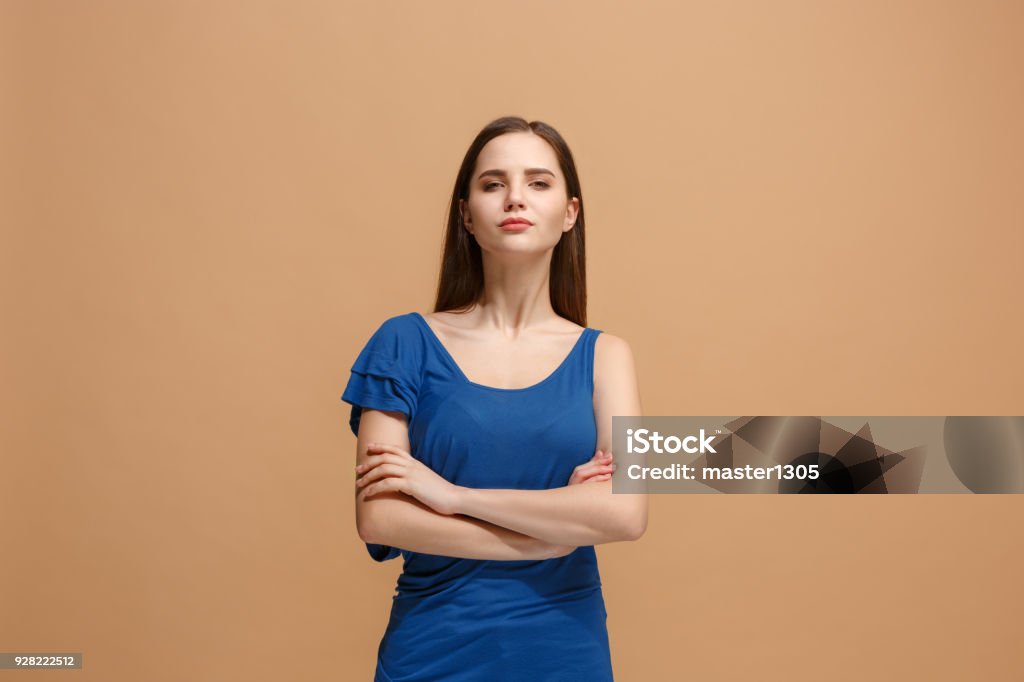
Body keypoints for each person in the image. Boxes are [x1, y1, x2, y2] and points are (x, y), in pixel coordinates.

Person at [341, 116, 645, 681]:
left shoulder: (608, 356)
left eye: (538, 182)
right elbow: (380, 517)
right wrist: (544, 539)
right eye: (492, 184)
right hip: (432, 650)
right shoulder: (402, 343)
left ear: (570, 213)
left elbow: (625, 512)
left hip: (565, 652)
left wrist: (450, 495)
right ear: (466, 214)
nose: (514, 198)